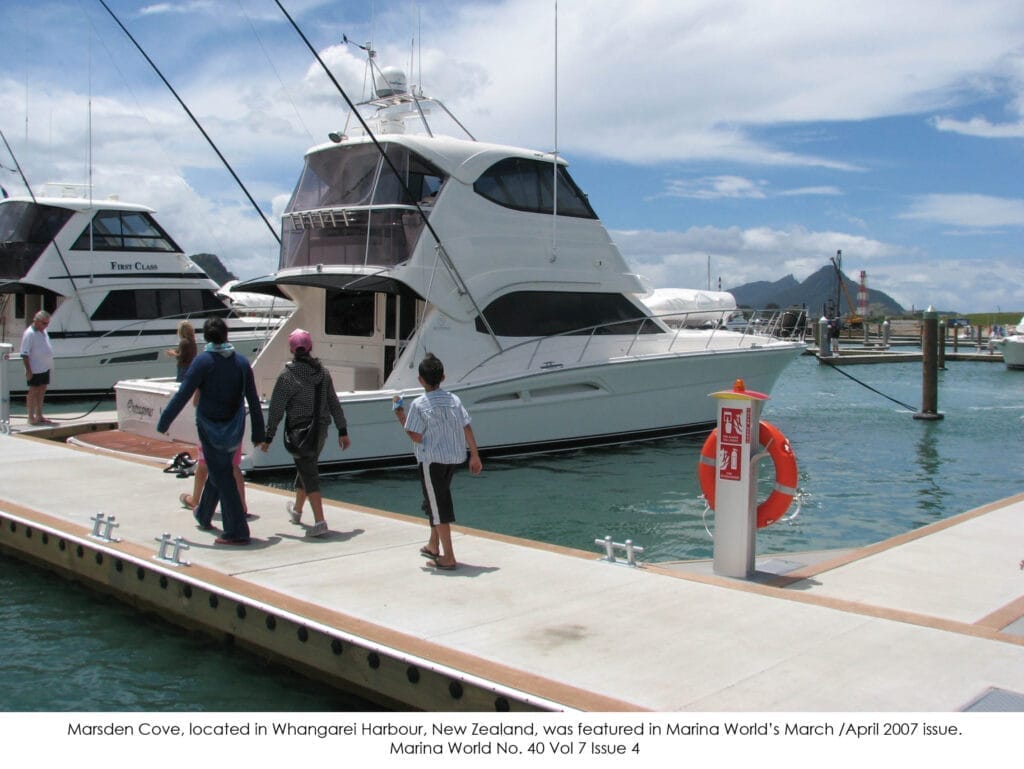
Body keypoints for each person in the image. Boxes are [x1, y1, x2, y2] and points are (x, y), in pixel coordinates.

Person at [157, 316, 265, 545]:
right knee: (220, 470)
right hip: (234, 427)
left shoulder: (202, 362)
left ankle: (237, 531)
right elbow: (253, 400)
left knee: (221, 474)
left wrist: (164, 422)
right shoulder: (241, 363)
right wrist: (258, 432)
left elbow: (183, 394)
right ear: (226, 335)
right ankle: (203, 514)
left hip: (209, 428)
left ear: (206, 337)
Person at [392, 353, 482, 570]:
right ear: (443, 377)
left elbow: (415, 436)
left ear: (420, 380)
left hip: (431, 460)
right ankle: (433, 545)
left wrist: (400, 414)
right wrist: (475, 454)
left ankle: (448, 556)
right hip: (452, 458)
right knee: (435, 500)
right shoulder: (454, 400)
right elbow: (466, 425)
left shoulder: (419, 404)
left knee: (438, 506)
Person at [260, 329, 350, 538]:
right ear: (310, 348)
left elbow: (276, 409)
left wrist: (268, 436)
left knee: (309, 472)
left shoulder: (287, 376)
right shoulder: (323, 373)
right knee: (306, 466)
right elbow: (334, 403)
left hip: (299, 433)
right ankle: (297, 511)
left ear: (292, 350)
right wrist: (342, 430)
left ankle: (320, 521)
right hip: (321, 430)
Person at [21, 310, 55, 426]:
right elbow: (24, 354)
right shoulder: (29, 334)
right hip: (35, 368)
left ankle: (39, 415)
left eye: (47, 323)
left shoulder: (43, 331)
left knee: (42, 389)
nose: (46, 326)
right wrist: (28, 370)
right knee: (33, 391)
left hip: (44, 367)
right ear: (36, 321)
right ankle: (30, 417)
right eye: (44, 323)